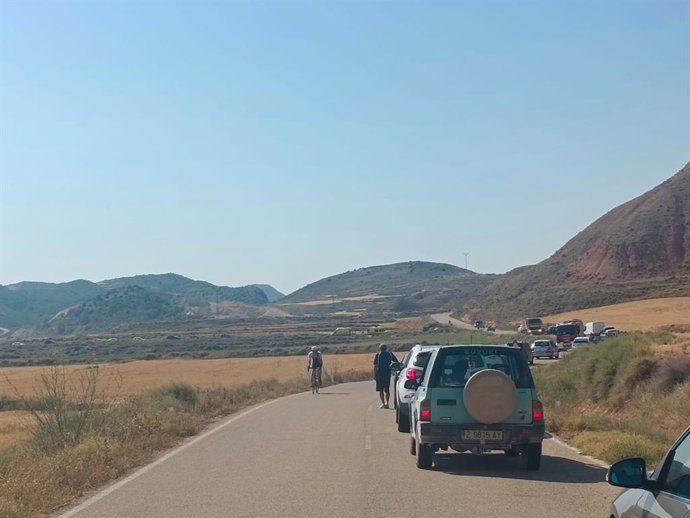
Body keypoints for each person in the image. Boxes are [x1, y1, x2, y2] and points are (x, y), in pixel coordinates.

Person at [373, 343, 398, 409]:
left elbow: (375, 366)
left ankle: (383, 403)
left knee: (380, 389)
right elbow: (396, 362)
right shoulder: (390, 354)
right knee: (387, 389)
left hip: (379, 373)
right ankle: (387, 403)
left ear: (380, 349)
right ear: (386, 348)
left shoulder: (378, 355)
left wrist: (375, 375)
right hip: (387, 373)